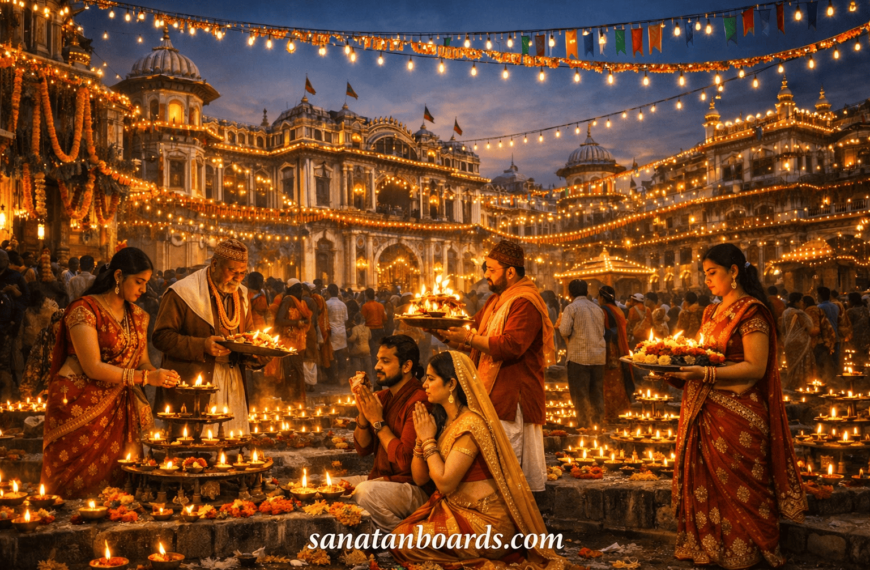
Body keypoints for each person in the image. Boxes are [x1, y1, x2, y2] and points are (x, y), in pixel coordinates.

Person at [667, 243, 806, 568]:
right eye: (705, 274)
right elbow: (702, 358)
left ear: (733, 272)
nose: (707, 281)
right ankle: (708, 548)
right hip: (704, 410)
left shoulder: (751, 311)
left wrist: (704, 373)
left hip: (739, 414)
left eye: (712, 273)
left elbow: (755, 368)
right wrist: (675, 373)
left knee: (744, 488)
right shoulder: (710, 312)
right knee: (705, 484)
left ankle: (745, 552)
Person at [391, 351, 572, 570]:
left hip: (488, 524)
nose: (424, 385)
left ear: (451, 385)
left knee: (402, 540)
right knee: (400, 538)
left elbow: (445, 483)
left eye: (430, 379)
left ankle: (487, 564)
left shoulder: (470, 425)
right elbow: (420, 478)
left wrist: (428, 439)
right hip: (459, 514)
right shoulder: (446, 420)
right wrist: (422, 438)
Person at [40, 247, 179, 498]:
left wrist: (161, 374)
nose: (144, 290)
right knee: (73, 493)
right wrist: (146, 378)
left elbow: (142, 362)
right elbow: (92, 366)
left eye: (146, 283)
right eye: (139, 282)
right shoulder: (84, 309)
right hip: (79, 406)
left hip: (120, 407)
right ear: (118, 276)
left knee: (117, 491)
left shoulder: (138, 316)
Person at [436, 240, 554, 492]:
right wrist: (440, 329)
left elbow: (512, 346)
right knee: (492, 469)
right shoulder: (494, 302)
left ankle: (518, 522)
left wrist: (467, 338)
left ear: (510, 271)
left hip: (514, 396)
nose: (485, 275)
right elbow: (474, 338)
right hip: (489, 393)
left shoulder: (525, 302)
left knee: (511, 470)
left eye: (491, 269)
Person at [152, 239, 264, 435]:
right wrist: (201, 345)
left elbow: (248, 337)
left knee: (229, 447)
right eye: (232, 271)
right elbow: (161, 337)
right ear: (214, 264)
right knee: (193, 450)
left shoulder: (242, 295)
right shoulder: (183, 292)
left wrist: (258, 353)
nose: (238, 278)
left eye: (242, 272)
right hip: (194, 383)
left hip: (232, 381)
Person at [348, 335, 432, 532]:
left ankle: (403, 538)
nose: (377, 366)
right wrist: (363, 410)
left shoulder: (419, 401)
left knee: (364, 493)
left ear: (406, 366)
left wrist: (377, 421)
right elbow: (362, 448)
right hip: (384, 480)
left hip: (413, 488)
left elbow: (404, 460)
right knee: (333, 488)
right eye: (378, 360)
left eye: (385, 361)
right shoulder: (383, 397)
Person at [558, 279, 606, 428]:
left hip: (579, 358)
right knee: (596, 393)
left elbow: (564, 331)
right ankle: (597, 425)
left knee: (580, 395)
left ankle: (585, 426)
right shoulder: (598, 309)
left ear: (569, 293)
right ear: (586, 292)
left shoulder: (571, 308)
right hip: (598, 357)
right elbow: (602, 332)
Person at [598, 285, 633, 421]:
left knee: (609, 382)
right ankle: (622, 410)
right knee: (620, 381)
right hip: (620, 349)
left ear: (602, 297)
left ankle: (610, 413)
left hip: (609, 350)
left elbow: (605, 331)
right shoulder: (619, 309)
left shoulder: (604, 310)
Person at [275, 279, 311, 403]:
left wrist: (301, 322)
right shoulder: (290, 300)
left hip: (297, 341)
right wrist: (298, 323)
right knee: (293, 370)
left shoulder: (296, 301)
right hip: (291, 341)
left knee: (295, 370)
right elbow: (279, 320)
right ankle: (293, 398)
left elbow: (280, 319)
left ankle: (295, 399)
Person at [18, 309, 64, 399]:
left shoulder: (73, 339)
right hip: (46, 385)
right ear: (52, 325)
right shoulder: (45, 336)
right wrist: (27, 390)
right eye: (57, 323)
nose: (59, 326)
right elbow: (34, 361)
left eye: (63, 324)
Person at [780, 293, 815, 390]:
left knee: (792, 366)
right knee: (802, 364)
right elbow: (810, 329)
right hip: (801, 342)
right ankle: (802, 384)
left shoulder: (785, 312)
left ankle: (792, 383)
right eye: (801, 300)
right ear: (796, 302)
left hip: (789, 342)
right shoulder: (799, 313)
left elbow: (783, 328)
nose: (803, 303)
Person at [804, 295, 836, 383]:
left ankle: (818, 382)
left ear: (805, 303)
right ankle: (825, 381)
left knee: (816, 363)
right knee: (822, 364)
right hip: (823, 340)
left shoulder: (810, 310)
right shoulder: (818, 309)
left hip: (815, 341)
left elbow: (815, 329)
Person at [325, 284, 348, 383]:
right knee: (341, 356)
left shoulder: (326, 304)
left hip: (331, 332)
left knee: (331, 356)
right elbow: (346, 318)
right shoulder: (343, 304)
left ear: (328, 292)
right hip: (341, 332)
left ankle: (332, 378)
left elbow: (324, 319)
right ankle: (342, 378)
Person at [361, 287, 386, 365]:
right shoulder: (380, 306)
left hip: (370, 330)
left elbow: (362, 319)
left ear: (366, 296)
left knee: (372, 350)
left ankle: (373, 368)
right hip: (380, 330)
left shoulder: (365, 306)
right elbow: (385, 318)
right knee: (379, 349)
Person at [817, 286, 841, 369]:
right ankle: (836, 378)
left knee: (825, 361)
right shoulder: (835, 306)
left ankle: (827, 379)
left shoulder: (819, 307)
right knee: (835, 360)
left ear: (819, 296)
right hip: (836, 336)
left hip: (826, 338)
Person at [846, 292, 870, 369]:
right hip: (866, 338)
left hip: (855, 339)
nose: (847, 302)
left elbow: (847, 326)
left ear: (852, 301)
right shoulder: (866, 310)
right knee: (864, 357)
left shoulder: (850, 311)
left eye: (848, 300)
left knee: (854, 358)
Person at [347, 313, 374, 381]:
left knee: (357, 367)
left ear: (355, 321)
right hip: (367, 350)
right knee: (368, 368)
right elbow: (370, 337)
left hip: (357, 351)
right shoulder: (367, 328)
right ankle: (371, 380)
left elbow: (353, 338)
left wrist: (347, 339)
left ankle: (358, 380)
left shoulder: (355, 328)